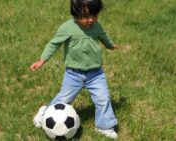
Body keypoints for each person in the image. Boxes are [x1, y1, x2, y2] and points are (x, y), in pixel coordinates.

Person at [29, 0, 118, 139]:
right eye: (85, 16)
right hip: (73, 74)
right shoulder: (67, 28)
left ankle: (104, 126)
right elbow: (54, 44)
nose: (90, 19)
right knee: (63, 99)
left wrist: (110, 45)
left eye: (94, 15)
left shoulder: (96, 26)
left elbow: (103, 36)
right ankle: (45, 114)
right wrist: (42, 60)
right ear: (75, 14)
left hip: (96, 73)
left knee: (103, 98)